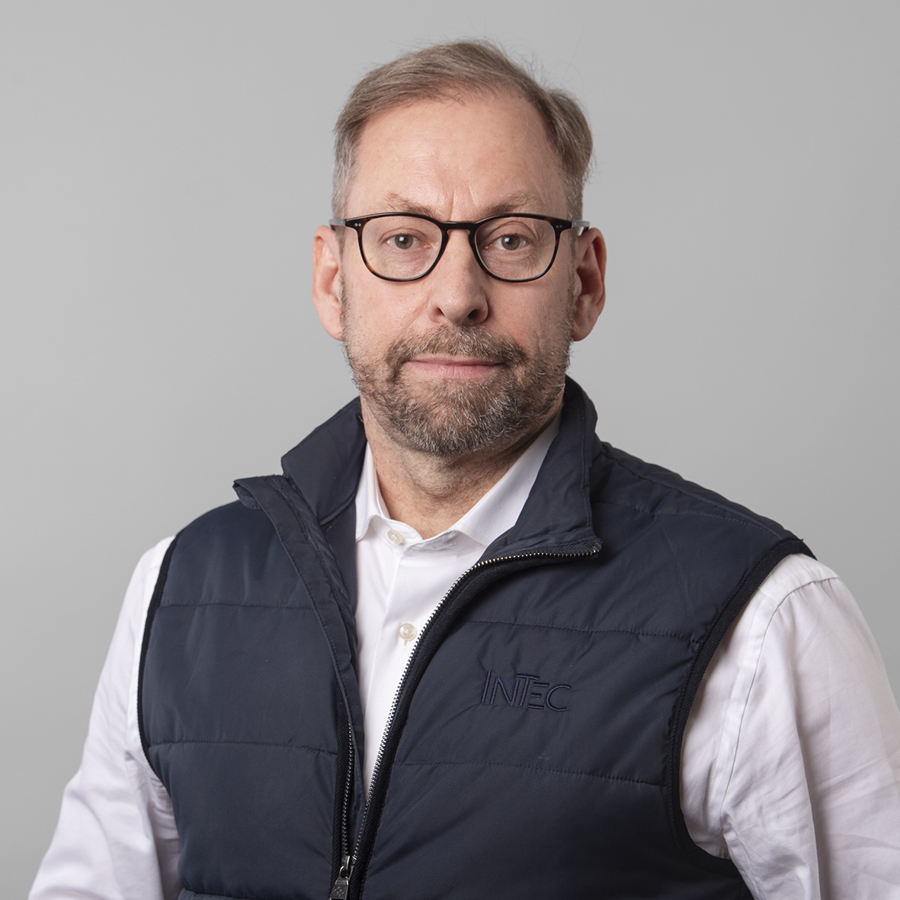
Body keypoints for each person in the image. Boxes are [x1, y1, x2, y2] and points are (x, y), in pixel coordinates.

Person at [31, 40, 900, 900]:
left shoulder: (762, 621)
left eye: (511, 239)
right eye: (403, 238)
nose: (457, 295)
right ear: (333, 282)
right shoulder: (179, 591)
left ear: (584, 283)